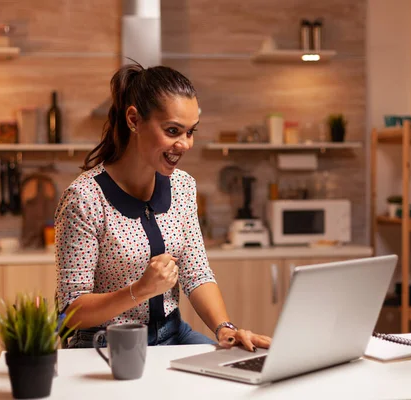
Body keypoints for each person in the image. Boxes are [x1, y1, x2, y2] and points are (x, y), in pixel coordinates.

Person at [55, 62, 271, 351]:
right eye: (172, 131)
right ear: (134, 120)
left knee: (238, 377)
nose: (184, 144)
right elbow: (71, 312)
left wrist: (225, 329)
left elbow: (197, 274)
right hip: (106, 344)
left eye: (190, 132)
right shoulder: (85, 198)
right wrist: (139, 290)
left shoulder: (183, 187)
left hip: (173, 334)